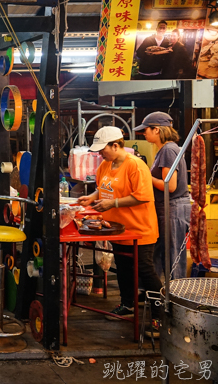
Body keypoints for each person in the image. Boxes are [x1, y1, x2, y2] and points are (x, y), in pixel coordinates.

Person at [77, 126, 162, 336]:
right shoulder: (106, 165)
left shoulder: (136, 166)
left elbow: (142, 196)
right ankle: (127, 304)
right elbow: (103, 188)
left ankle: (160, 316)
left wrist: (112, 204)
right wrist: (93, 197)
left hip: (139, 229)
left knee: (145, 270)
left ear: (116, 145)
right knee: (123, 268)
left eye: (103, 149)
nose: (100, 153)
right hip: (116, 230)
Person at [134, 112, 190, 280]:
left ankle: (175, 299)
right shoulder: (165, 150)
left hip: (173, 207)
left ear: (157, 130)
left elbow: (169, 186)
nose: (144, 134)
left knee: (173, 255)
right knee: (159, 253)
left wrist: (145, 175)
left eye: (146, 130)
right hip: (167, 207)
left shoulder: (168, 150)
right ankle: (157, 295)